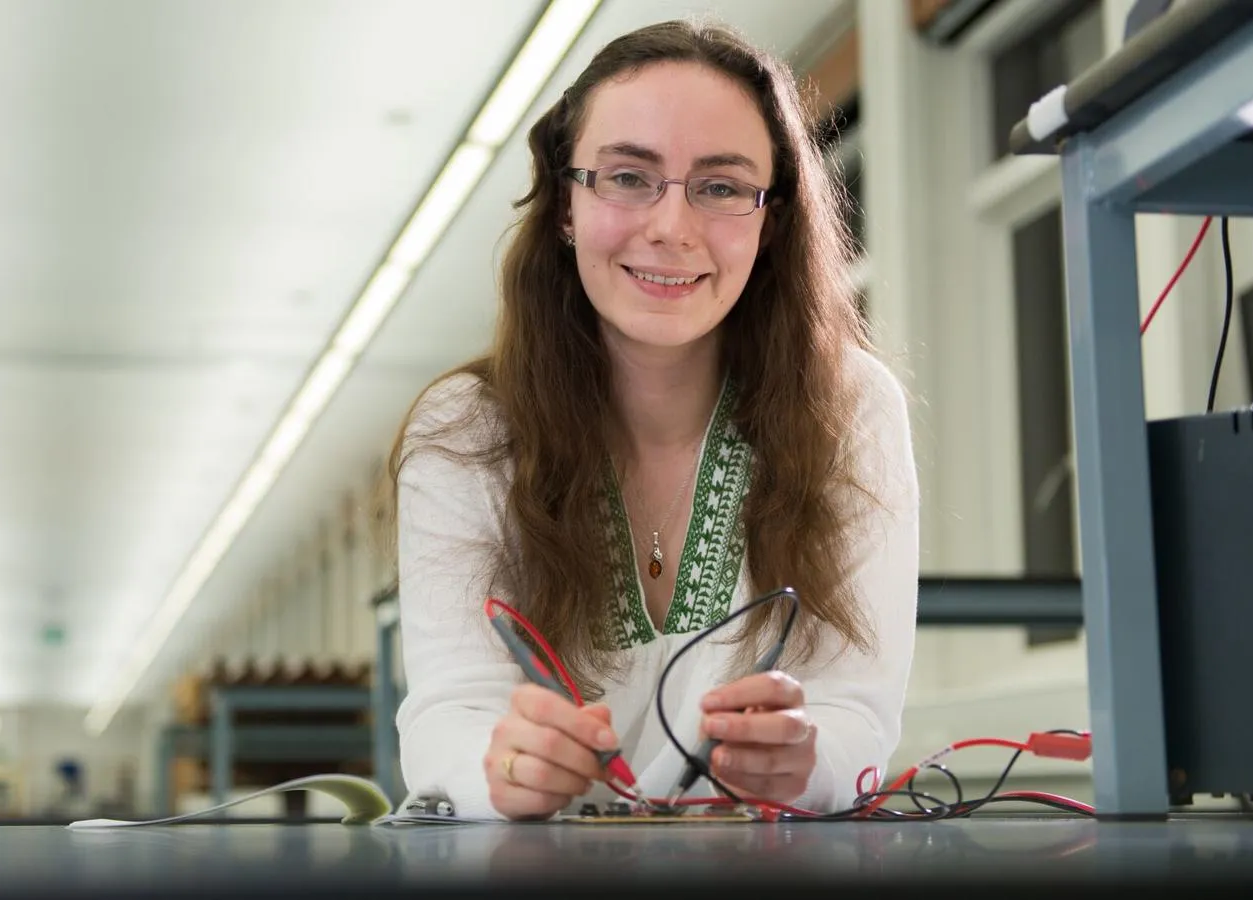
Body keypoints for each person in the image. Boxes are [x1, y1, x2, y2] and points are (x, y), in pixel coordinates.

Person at [382, 18, 919, 821]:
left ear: (769, 222)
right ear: (565, 203)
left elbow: (856, 715)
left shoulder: (851, 409)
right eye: (629, 177)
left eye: (722, 186)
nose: (671, 227)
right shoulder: (466, 432)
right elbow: (447, 714)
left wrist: (805, 761)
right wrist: (496, 766)